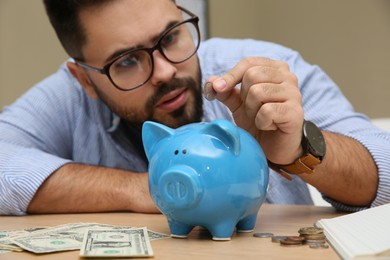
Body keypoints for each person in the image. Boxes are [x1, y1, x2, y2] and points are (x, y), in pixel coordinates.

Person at [0, 0, 389, 216]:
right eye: (127, 61)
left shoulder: (263, 67)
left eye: (171, 37)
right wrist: (142, 190)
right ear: (84, 79)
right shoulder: (67, 98)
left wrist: (300, 152)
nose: (166, 72)